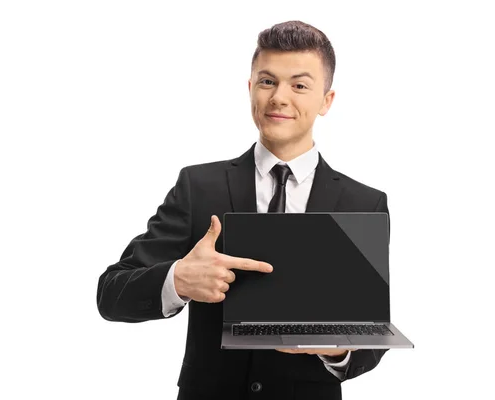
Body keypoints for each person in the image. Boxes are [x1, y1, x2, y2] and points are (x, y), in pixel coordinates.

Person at [97, 20, 389, 400]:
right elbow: (111, 293)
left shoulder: (363, 203)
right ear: (251, 89)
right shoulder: (198, 187)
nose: (279, 97)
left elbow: (372, 332)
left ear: (326, 101)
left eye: (300, 85)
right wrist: (177, 280)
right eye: (267, 81)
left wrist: (338, 347)